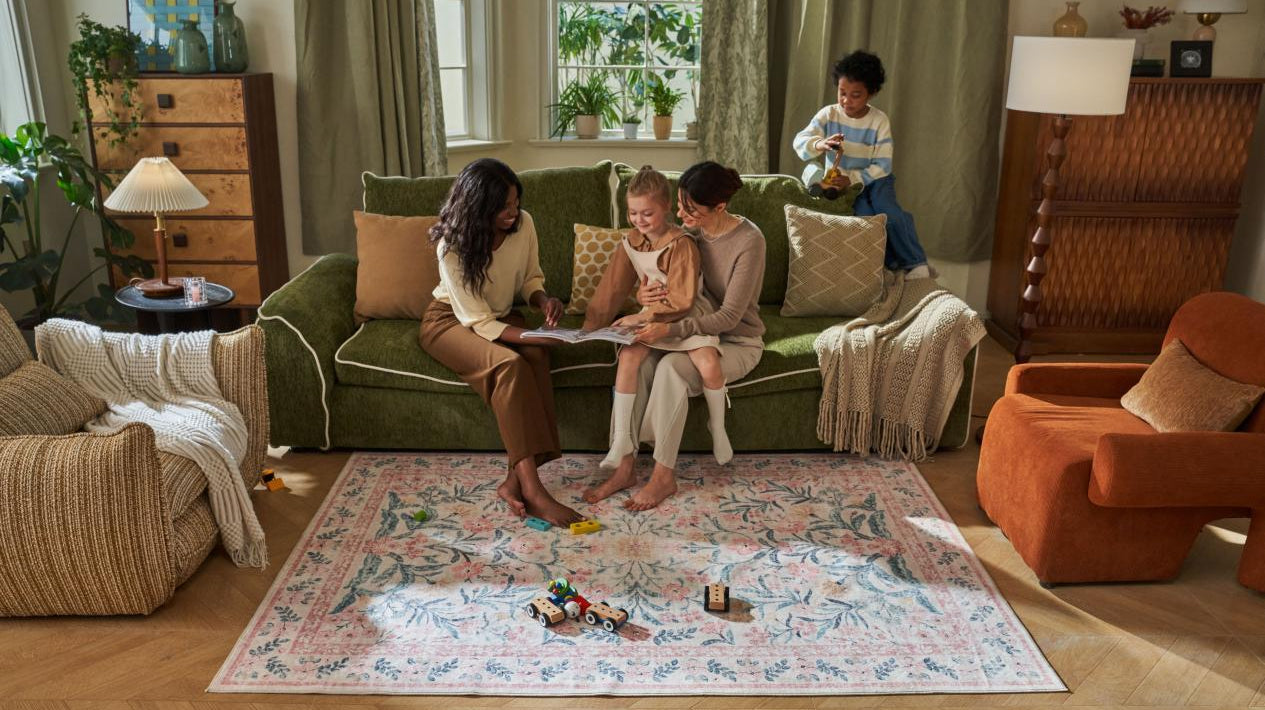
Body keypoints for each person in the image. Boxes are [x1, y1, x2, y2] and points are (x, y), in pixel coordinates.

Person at [583, 161, 765, 511]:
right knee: (633, 361)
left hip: (735, 340)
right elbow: (661, 276)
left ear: (720, 207)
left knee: (670, 370)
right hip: (685, 332)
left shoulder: (749, 242)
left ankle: (663, 476)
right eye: (680, 205)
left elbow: (728, 317)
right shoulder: (688, 234)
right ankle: (624, 468)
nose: (680, 215)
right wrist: (643, 296)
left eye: (690, 209)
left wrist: (668, 328)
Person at [418, 158, 583, 528]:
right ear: (479, 207)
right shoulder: (451, 246)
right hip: (450, 320)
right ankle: (534, 492)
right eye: (503, 206)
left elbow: (530, 279)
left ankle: (513, 482)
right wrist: (535, 334)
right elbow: (478, 321)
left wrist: (543, 300)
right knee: (509, 365)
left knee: (535, 354)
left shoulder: (524, 224)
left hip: (500, 317)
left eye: (515, 202)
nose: (513, 212)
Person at [600, 166, 731, 470]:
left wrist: (640, 316)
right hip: (654, 316)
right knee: (628, 357)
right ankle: (622, 439)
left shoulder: (681, 243)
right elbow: (636, 286)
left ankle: (718, 428)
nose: (639, 220)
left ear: (666, 207)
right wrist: (639, 300)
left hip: (688, 315)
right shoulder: (632, 241)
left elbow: (683, 300)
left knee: (709, 364)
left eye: (647, 213)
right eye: (633, 213)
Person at [793, 49, 931, 278]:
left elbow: (883, 165)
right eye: (842, 92)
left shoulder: (879, 121)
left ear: (872, 93)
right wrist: (820, 144)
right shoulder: (828, 115)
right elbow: (800, 142)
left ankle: (917, 263)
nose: (846, 100)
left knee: (889, 213)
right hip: (843, 183)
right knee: (867, 220)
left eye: (855, 95)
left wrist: (854, 179)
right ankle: (892, 265)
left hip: (877, 180)